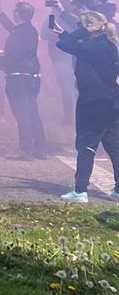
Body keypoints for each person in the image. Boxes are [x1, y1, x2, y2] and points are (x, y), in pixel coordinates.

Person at [54, 12, 119, 202]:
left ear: (92, 27)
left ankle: (80, 190)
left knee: (86, 145)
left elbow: (65, 46)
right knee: (114, 146)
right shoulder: (108, 45)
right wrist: (65, 32)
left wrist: (75, 32)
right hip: (111, 102)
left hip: (93, 103)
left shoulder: (93, 46)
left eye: (82, 25)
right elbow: (72, 45)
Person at [0, 1, 48, 160]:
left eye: (14, 11)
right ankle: (40, 148)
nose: (13, 13)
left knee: (22, 114)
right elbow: (13, 29)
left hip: (19, 79)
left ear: (18, 14)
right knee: (32, 112)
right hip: (31, 78)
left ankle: (25, 150)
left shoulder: (21, 33)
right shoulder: (28, 30)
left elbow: (12, 56)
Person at [43, 0, 78, 126]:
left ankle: (75, 117)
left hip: (69, 56)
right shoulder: (51, 18)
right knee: (66, 88)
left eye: (55, 4)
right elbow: (43, 34)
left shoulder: (70, 17)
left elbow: (76, 32)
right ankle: (69, 118)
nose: (53, 7)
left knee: (73, 88)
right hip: (59, 56)